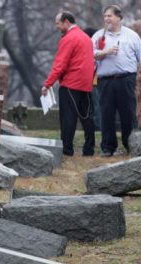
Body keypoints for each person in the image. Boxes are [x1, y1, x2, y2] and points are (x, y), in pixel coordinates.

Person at [91, 4, 141, 157]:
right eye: (105, 16)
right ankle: (108, 147)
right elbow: (89, 55)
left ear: (119, 18)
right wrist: (105, 52)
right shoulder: (98, 36)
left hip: (126, 80)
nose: (106, 19)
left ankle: (130, 145)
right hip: (105, 81)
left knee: (128, 114)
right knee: (106, 113)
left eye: (109, 16)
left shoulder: (132, 36)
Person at [41, 12, 96, 157]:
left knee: (68, 118)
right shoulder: (86, 37)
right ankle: (89, 149)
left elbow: (60, 65)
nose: (56, 26)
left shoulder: (68, 38)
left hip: (71, 84)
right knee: (87, 117)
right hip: (86, 83)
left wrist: (48, 84)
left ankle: (67, 149)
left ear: (66, 22)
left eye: (57, 23)